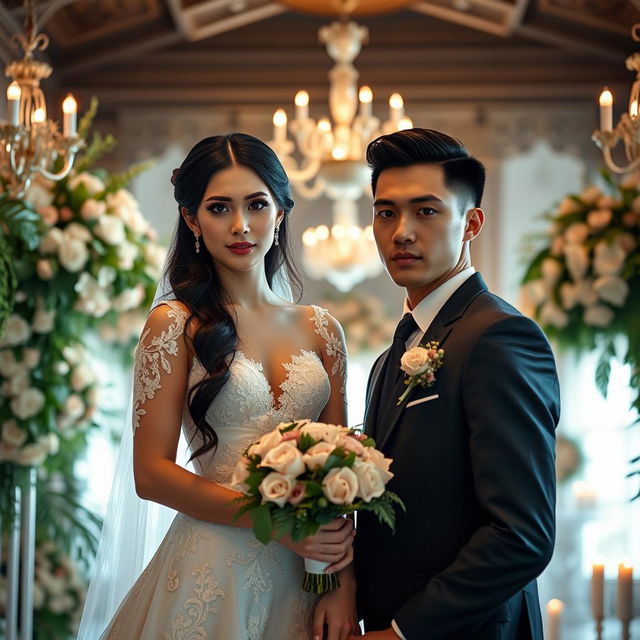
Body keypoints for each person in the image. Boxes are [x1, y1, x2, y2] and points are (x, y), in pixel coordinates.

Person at [80, 133, 359, 639]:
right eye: (218, 207)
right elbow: (152, 474)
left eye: (256, 204)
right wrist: (277, 525)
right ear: (191, 219)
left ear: (280, 212)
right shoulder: (174, 324)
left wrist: (341, 588)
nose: (240, 225)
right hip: (210, 572)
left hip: (306, 580)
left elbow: (342, 471)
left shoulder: (323, 329)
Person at [351, 128, 560, 639]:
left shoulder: (500, 336)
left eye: (426, 211)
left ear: (471, 223)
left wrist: (403, 632)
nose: (401, 231)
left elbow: (522, 534)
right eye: (386, 212)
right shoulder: (388, 358)